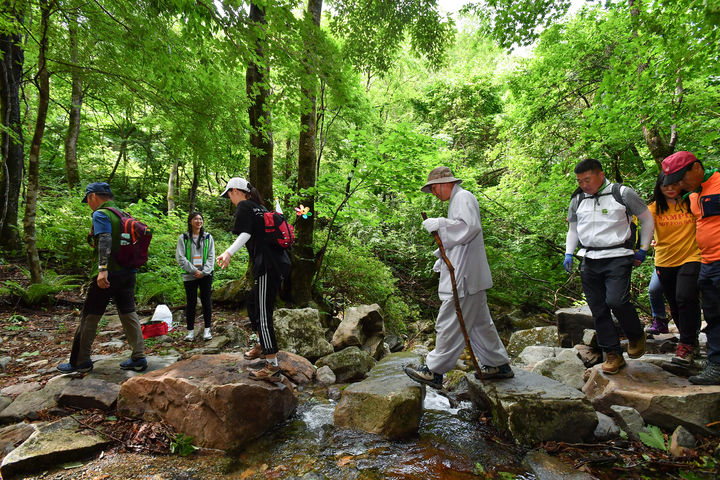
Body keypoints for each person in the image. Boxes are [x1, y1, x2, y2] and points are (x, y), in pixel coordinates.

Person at [404, 166, 513, 390]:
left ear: (446, 183)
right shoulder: (458, 200)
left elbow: (469, 228)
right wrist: (442, 258)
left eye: (434, 188)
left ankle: (434, 370)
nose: (434, 193)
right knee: (480, 325)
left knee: (449, 321)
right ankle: (498, 365)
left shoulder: (463, 197)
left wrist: (440, 223)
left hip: (465, 277)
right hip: (468, 274)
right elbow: (462, 238)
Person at [563, 159, 653, 374]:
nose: (584, 184)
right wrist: (569, 252)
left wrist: (643, 249)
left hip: (618, 256)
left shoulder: (622, 193)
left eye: (587, 179)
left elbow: (647, 219)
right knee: (598, 308)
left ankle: (635, 334)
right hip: (589, 258)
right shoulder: (577, 198)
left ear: (600, 175)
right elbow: (573, 229)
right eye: (579, 181)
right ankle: (612, 353)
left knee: (617, 301)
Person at [57, 182, 146, 373]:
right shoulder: (123, 215)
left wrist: (102, 269)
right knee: (128, 313)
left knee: (90, 315)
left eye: (88, 200)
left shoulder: (101, 214)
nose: (89, 204)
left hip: (108, 274)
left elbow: (104, 238)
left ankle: (80, 361)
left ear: (93, 197)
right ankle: (138, 357)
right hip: (128, 273)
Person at [216, 177, 290, 383]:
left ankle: (272, 367)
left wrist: (228, 252)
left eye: (228, 194)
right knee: (252, 304)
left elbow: (246, 233)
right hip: (277, 262)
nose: (229, 199)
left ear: (235, 191)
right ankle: (261, 344)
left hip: (268, 265)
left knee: (263, 313)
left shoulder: (244, 206)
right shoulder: (261, 207)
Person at [662, 150, 720, 384]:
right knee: (714, 316)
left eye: (682, 178)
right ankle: (716, 366)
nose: (679, 184)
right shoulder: (693, 196)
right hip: (707, 262)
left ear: (697, 167)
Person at [647, 173, 701, 365]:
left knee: (685, 296)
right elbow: (642, 228)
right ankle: (690, 340)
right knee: (675, 303)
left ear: (681, 185)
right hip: (665, 261)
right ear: (659, 188)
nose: (669, 189)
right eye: (664, 186)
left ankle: (685, 344)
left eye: (673, 185)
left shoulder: (692, 201)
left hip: (691, 256)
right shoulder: (653, 209)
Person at [176, 212, 215, 341]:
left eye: (200, 219)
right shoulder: (183, 238)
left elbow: (211, 257)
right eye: (195, 219)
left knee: (206, 301)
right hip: (189, 275)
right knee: (191, 302)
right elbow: (180, 257)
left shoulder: (208, 237)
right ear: (190, 221)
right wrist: (194, 271)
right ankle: (190, 332)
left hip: (206, 274)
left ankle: (207, 330)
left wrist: (203, 272)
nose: (198, 221)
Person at [646, 269, 670, 335]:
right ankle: (660, 320)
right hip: (662, 263)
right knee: (654, 290)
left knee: (682, 295)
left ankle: (691, 330)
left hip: (686, 263)